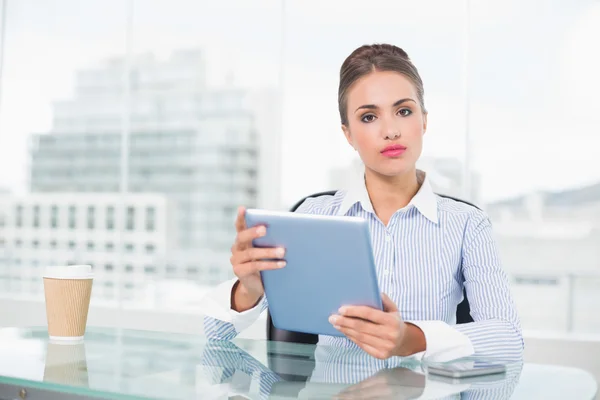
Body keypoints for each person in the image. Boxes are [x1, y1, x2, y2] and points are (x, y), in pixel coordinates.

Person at [202, 43, 524, 363]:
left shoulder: (467, 224)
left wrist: (410, 338)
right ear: (348, 135)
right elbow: (214, 334)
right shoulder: (314, 216)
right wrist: (250, 290)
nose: (390, 131)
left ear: (424, 121)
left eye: (404, 111)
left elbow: (508, 339)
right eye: (369, 117)